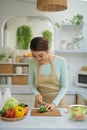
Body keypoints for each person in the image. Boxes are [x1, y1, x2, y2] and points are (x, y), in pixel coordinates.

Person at [29, 37, 69, 111]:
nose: (37, 59)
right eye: (34, 56)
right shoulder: (32, 62)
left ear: (48, 50)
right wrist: (36, 94)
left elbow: (65, 86)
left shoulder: (61, 61)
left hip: (58, 104)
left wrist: (54, 103)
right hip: (40, 104)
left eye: (41, 56)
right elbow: (30, 84)